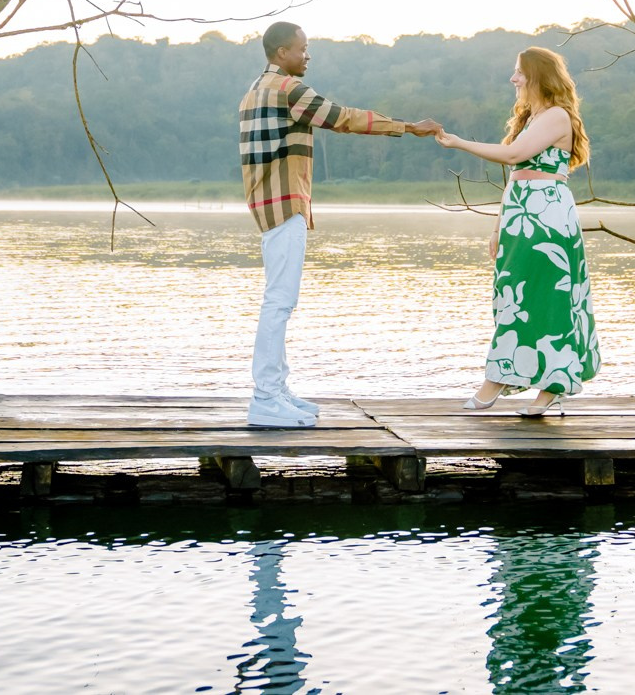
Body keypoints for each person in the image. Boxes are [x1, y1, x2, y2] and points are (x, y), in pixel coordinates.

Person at [239, 22, 440, 428]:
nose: (307, 55)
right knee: (279, 302)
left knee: (279, 300)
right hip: (284, 205)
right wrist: (406, 127)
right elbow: (343, 118)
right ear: (281, 53)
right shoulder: (288, 89)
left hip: (269, 204)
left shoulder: (254, 90)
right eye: (302, 49)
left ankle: (276, 391)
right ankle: (265, 397)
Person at [438, 46, 601, 416]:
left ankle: (529, 382)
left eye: (519, 73)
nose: (513, 79)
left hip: (548, 218)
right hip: (522, 215)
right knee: (512, 293)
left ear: (539, 76)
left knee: (545, 298)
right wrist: (499, 226)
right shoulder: (532, 118)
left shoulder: (558, 116)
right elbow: (516, 177)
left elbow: (512, 157)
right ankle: (518, 377)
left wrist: (459, 142)